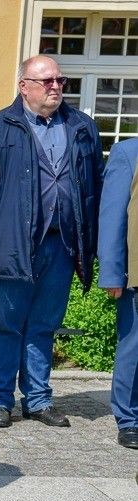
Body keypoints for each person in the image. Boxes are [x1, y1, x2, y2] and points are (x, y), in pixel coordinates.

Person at [0, 55, 102, 429]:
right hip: (12, 244)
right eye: (46, 81)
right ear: (23, 86)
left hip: (62, 244)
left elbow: (94, 189)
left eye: (60, 80)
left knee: (44, 324)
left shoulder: (82, 127)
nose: (56, 86)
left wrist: (92, 245)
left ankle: (39, 399)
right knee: (7, 324)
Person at [95, 138, 138, 450]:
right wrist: (112, 271)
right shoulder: (128, 153)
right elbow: (112, 218)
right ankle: (129, 418)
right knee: (134, 347)